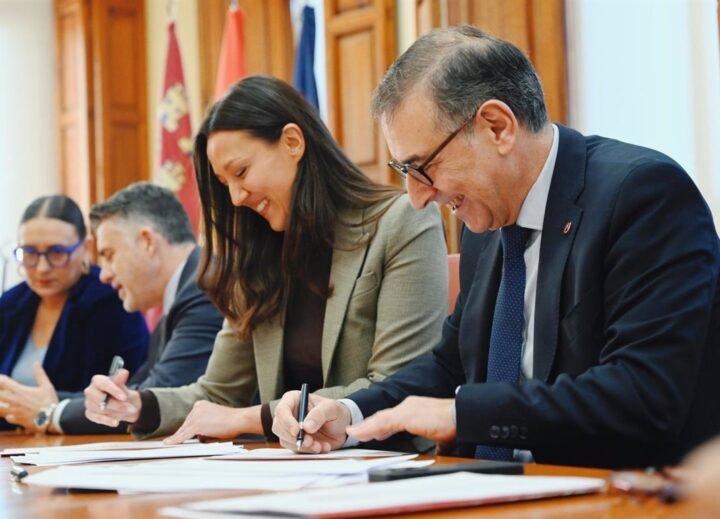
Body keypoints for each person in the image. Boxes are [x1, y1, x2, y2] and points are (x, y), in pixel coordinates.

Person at [271, 26, 720, 469]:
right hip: (500, 494)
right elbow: (452, 367)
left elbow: (642, 394)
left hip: (628, 500)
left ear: (497, 127)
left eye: (421, 167)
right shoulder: (485, 225)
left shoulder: (643, 196)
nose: (417, 196)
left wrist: (467, 414)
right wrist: (352, 412)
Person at [82, 75, 448, 445]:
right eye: (226, 185)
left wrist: (251, 418)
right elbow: (220, 394)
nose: (237, 198)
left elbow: (396, 382)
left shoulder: (403, 221)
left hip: (384, 464)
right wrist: (137, 405)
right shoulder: (256, 254)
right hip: (288, 470)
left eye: (241, 172)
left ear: (293, 142)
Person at [0, 182, 224, 434]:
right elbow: (136, 390)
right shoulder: (179, 301)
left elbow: (155, 397)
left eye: (108, 254)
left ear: (148, 242)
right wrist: (40, 402)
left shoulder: (204, 289)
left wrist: (51, 411)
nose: (104, 275)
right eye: (29, 253)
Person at [0, 195, 148, 431]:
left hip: (83, 445)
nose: (42, 267)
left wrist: (44, 408)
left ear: (86, 248)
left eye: (57, 252)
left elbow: (123, 397)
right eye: (29, 253)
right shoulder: (9, 304)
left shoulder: (112, 301)